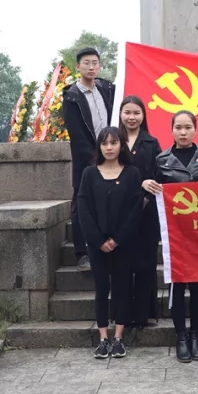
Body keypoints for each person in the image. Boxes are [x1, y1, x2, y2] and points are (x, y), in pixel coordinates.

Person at [142, 110, 198, 363]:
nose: (183, 132)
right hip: (174, 234)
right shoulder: (162, 160)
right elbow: (153, 194)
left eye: (188, 127)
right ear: (172, 130)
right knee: (177, 287)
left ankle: (195, 335)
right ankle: (180, 337)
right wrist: (145, 185)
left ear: (195, 129)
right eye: (178, 127)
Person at [76, 126, 143, 359]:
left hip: (123, 244)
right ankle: (103, 338)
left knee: (122, 288)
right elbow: (83, 209)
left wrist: (117, 239)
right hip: (97, 246)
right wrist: (98, 241)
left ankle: (119, 338)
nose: (109, 147)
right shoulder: (89, 174)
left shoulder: (132, 173)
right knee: (101, 289)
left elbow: (135, 209)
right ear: (99, 147)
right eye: (104, 143)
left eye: (114, 143)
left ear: (121, 145)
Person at [62, 47, 115, 272]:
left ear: (99, 66)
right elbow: (77, 134)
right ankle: (82, 253)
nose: (91, 67)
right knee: (81, 202)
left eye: (95, 63)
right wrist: (94, 159)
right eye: (86, 63)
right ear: (78, 67)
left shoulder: (107, 89)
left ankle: (110, 246)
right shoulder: (72, 96)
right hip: (87, 158)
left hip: (112, 152)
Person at [118, 95, 163, 332]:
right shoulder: (113, 140)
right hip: (119, 212)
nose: (132, 117)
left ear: (143, 115)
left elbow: (158, 175)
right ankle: (123, 314)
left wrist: (145, 197)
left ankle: (146, 313)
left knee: (146, 264)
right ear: (121, 114)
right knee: (123, 264)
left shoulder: (151, 143)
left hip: (146, 211)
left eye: (136, 113)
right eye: (127, 112)